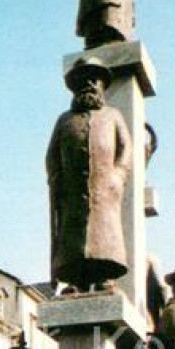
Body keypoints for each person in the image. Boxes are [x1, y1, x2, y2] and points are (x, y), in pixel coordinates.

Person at [46, 57, 132, 294]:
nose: (89, 84)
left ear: (102, 85)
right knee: (73, 238)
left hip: (105, 188)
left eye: (94, 79)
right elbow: (51, 154)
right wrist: (56, 179)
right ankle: (76, 279)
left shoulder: (112, 115)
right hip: (71, 191)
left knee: (104, 233)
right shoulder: (64, 120)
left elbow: (126, 148)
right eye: (82, 80)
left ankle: (105, 275)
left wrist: (118, 175)